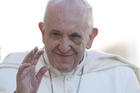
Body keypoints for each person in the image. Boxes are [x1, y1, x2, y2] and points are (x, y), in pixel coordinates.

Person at [0, 0, 140, 93]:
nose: (64, 47)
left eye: (74, 37)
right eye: (56, 34)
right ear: (43, 32)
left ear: (90, 37)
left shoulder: (120, 76)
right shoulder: (9, 72)